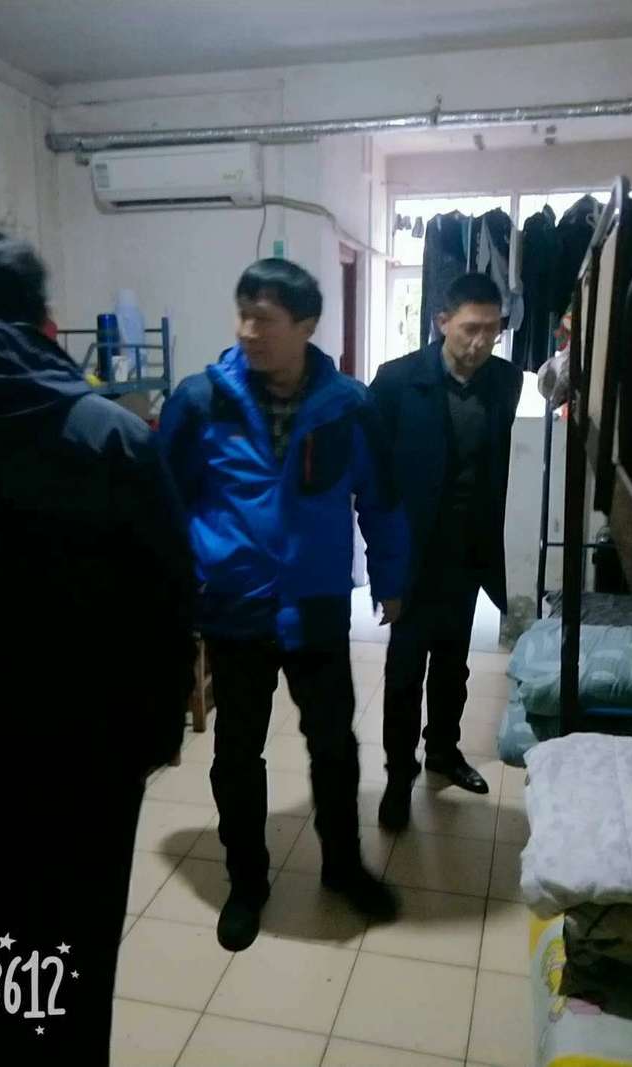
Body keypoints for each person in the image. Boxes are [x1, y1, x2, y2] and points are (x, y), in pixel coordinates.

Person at [0, 224, 197, 1066]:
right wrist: (151, 739)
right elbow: (168, 606)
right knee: (55, 974)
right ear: (37, 320)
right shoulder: (107, 435)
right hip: (75, 775)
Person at [160, 258, 409, 952]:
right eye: (242, 315)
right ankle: (247, 883)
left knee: (333, 745)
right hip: (234, 605)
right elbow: (164, 501)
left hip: (316, 603)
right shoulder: (200, 401)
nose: (247, 331)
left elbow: (383, 498)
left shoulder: (349, 405)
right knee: (237, 750)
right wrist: (178, 587)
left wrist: (390, 580)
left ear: (306, 325)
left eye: (263, 319)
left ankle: (342, 867)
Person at [370, 272, 523, 832]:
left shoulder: (506, 382)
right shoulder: (396, 381)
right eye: (470, 329)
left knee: (454, 667)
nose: (481, 342)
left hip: (468, 553)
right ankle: (397, 775)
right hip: (412, 558)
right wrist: (383, 569)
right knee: (404, 672)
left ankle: (443, 751)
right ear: (442, 322)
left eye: (492, 330)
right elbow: (375, 480)